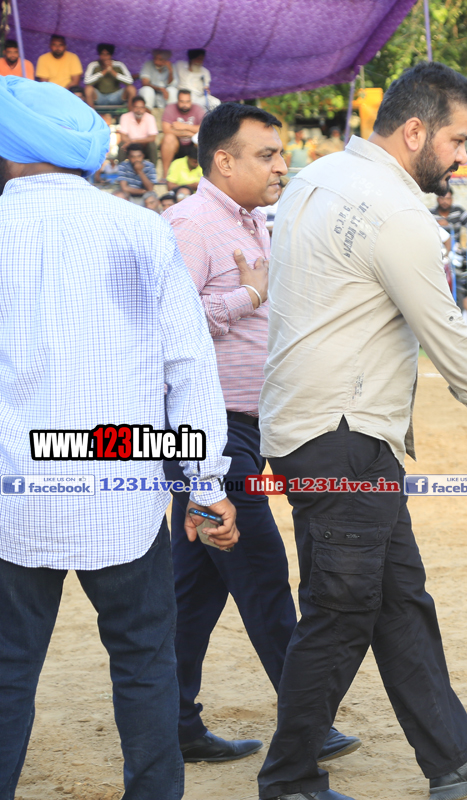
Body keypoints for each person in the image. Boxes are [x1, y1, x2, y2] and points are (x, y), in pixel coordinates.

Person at [256, 61, 467, 800]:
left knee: (398, 599)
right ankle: (289, 779)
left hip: (323, 426)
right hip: (344, 432)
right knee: (342, 610)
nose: (463, 157)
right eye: (457, 140)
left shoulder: (316, 177)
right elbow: (446, 333)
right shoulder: (395, 212)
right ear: (415, 131)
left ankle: (454, 759)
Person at [0, 74, 234, 800]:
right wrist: (205, 485)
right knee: (144, 664)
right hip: (121, 493)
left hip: (13, 497)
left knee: (6, 673)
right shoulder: (140, 230)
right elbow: (188, 367)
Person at [159, 102, 362, 765]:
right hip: (208, 435)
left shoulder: (253, 225)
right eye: (267, 155)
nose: (282, 166)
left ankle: (176, 724)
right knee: (263, 572)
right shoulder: (191, 225)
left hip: (241, 428)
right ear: (224, 160)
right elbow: (163, 323)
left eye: (281, 154)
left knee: (197, 588)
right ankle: (308, 723)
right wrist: (245, 297)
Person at [161, 89, 205, 170]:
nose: (185, 105)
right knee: (168, 138)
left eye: (187, 102)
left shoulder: (198, 109)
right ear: (177, 101)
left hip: (193, 145)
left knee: (202, 140)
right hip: (177, 144)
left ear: (191, 101)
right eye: (182, 102)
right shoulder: (170, 108)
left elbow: (204, 128)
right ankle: (165, 174)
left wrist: (184, 126)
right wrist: (189, 133)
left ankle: (201, 172)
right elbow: (166, 130)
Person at [83, 43, 135, 108]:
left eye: (107, 54)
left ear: (111, 55)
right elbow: (87, 81)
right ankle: (91, 113)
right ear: (99, 55)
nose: (105, 57)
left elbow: (130, 81)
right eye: (102, 54)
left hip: (116, 97)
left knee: (131, 89)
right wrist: (104, 72)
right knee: (88, 89)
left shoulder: (119, 64)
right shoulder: (93, 65)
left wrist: (112, 71)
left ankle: (131, 113)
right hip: (100, 97)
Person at [118, 96, 159, 164]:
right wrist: (132, 142)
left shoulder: (150, 118)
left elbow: (152, 138)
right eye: (136, 107)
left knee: (152, 145)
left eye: (142, 107)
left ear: (145, 108)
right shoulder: (125, 116)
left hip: (144, 146)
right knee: (122, 145)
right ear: (132, 108)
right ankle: (121, 169)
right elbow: (123, 137)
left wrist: (135, 141)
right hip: (130, 146)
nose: (139, 110)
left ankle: (153, 169)